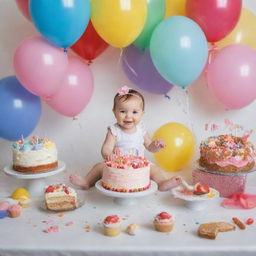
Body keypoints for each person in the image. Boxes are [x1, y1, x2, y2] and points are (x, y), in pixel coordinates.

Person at [69, 86, 182, 191]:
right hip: (117, 165)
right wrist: (109, 155)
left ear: (142, 113)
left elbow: (149, 146)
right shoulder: (114, 130)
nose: (128, 116)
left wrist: (156, 145)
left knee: (154, 169)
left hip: (138, 166)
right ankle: (87, 182)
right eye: (123, 111)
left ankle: (162, 183)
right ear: (114, 112)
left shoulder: (141, 129)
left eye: (134, 112)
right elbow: (106, 148)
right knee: (98, 167)